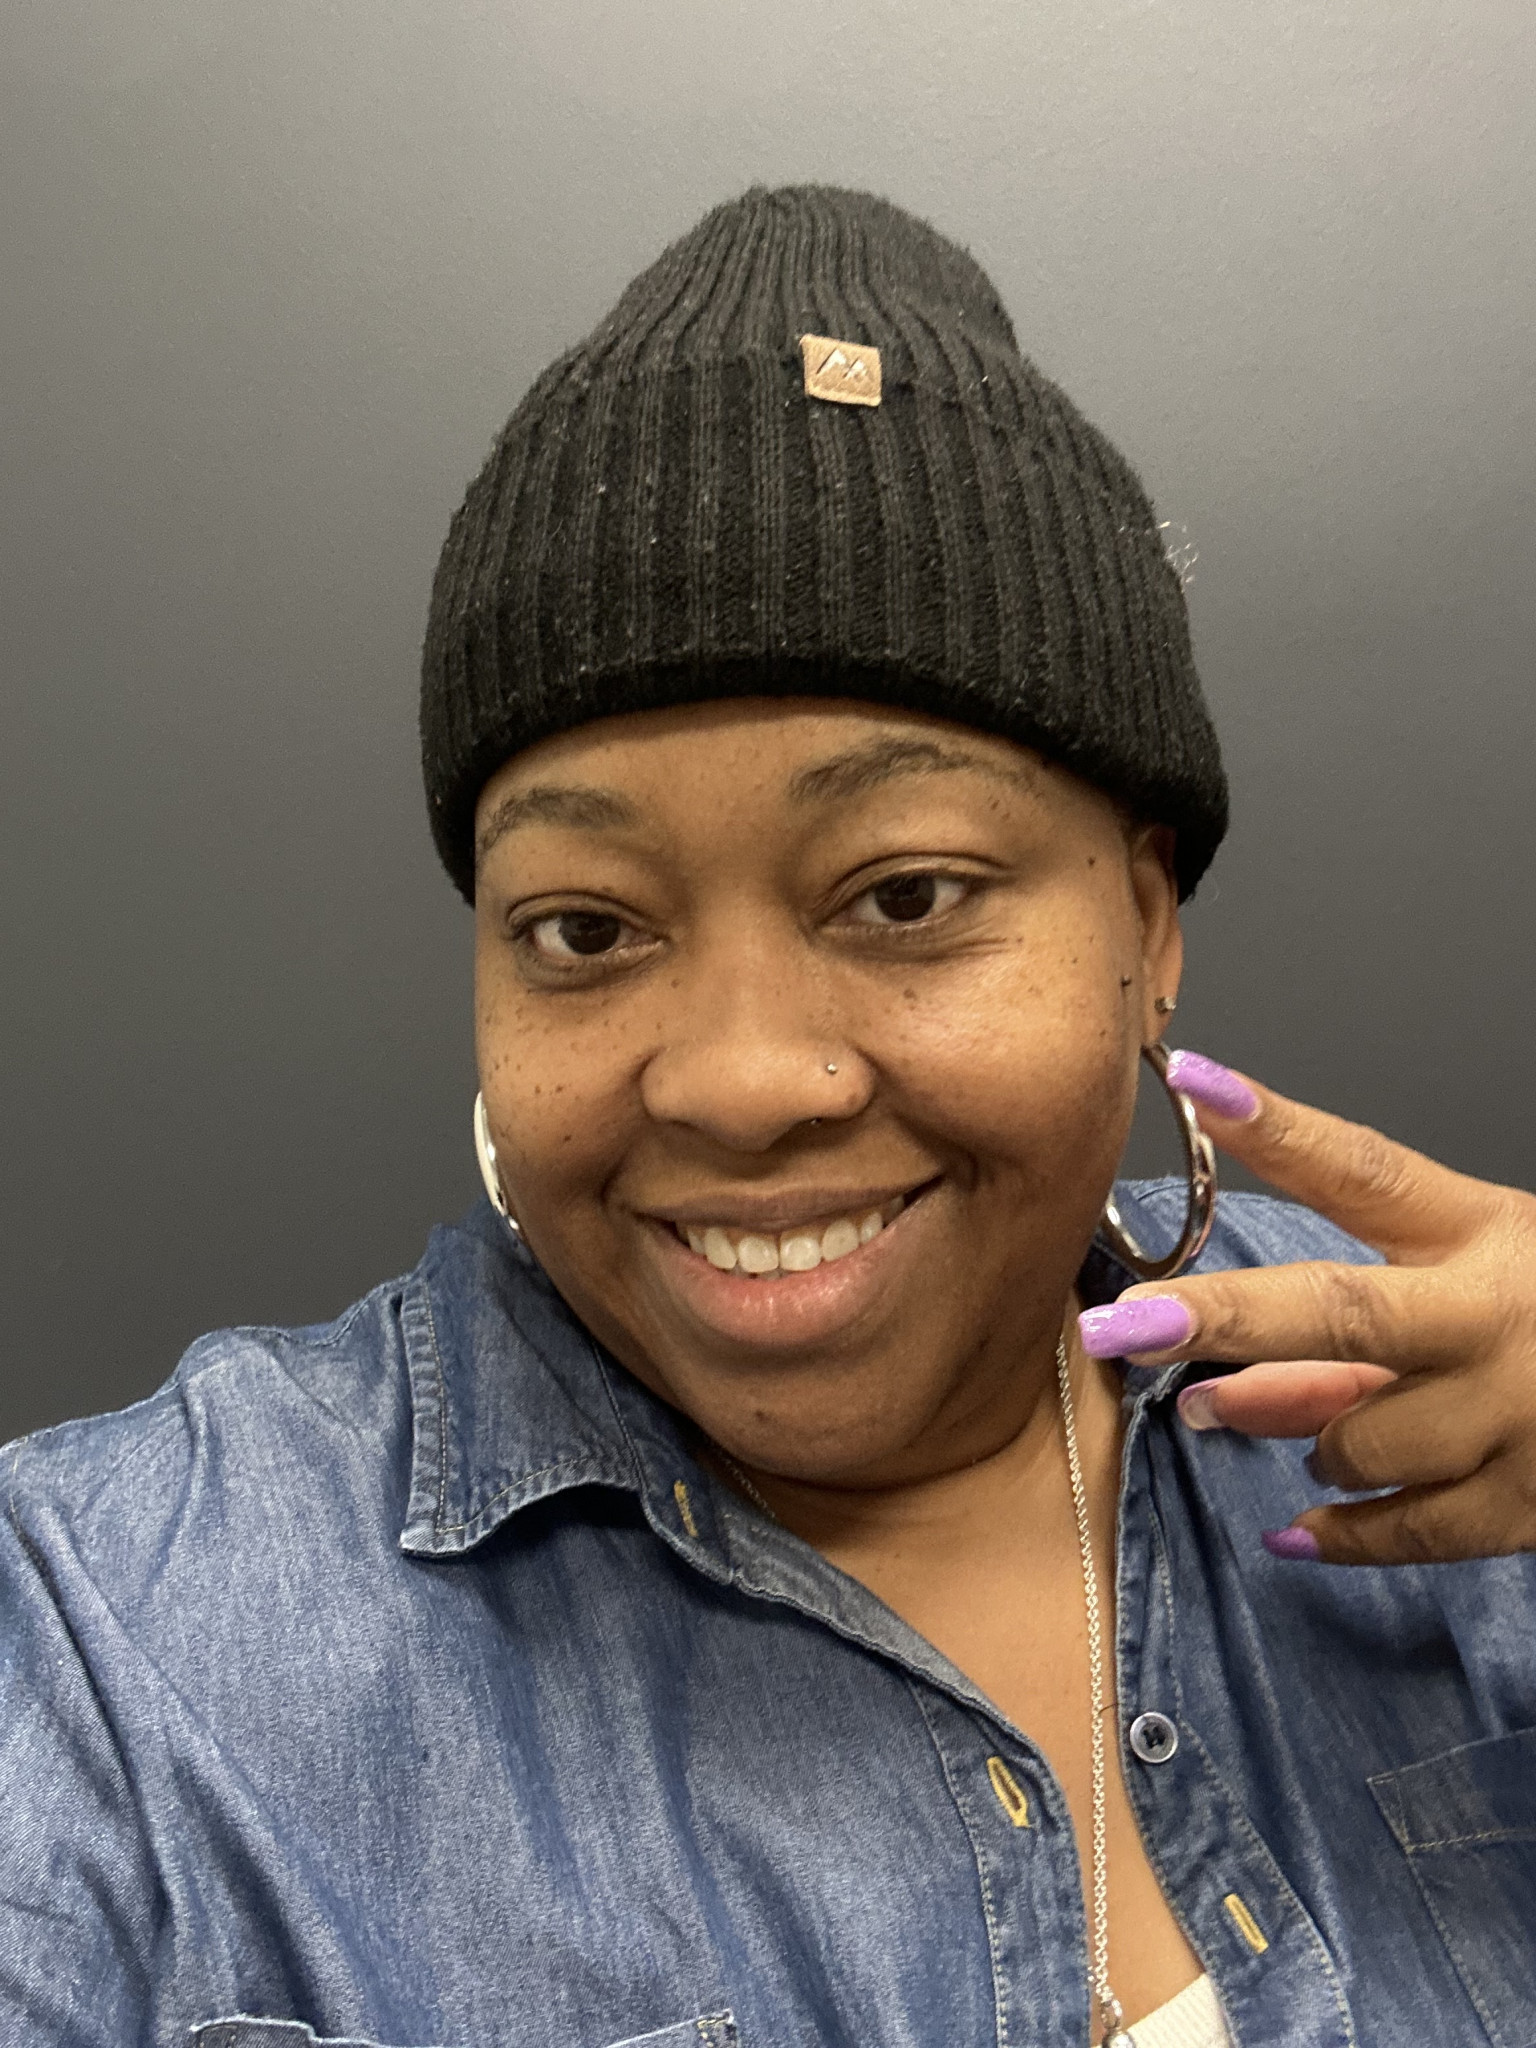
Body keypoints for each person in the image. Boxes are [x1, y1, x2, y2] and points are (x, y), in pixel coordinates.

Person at [2, 186, 1533, 2048]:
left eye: (905, 895)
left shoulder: (1457, 1414)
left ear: (1146, 927)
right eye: (584, 929)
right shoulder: (108, 1641)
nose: (735, 1081)